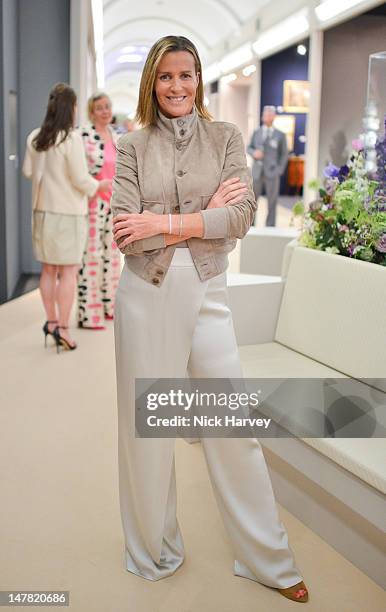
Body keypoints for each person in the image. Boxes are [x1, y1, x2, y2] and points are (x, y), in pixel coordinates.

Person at [111, 36, 309, 603]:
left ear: (199, 80)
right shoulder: (130, 146)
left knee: (232, 426)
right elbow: (125, 230)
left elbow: (241, 216)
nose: (178, 86)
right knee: (149, 432)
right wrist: (205, 215)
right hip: (146, 295)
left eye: (188, 75)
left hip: (207, 290)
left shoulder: (225, 138)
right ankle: (153, 549)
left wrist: (167, 223)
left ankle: (267, 558)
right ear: (152, 81)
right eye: (167, 76)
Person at [22, 83, 111, 351]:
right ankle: (62, 328)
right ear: (70, 108)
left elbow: (28, 171)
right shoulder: (70, 139)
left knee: (48, 271)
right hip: (69, 214)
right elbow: (80, 179)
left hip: (42, 212)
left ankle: (50, 323)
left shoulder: (35, 137)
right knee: (69, 273)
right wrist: (100, 185)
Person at [77, 93, 120, 329]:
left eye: (108, 106)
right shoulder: (83, 135)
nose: (105, 111)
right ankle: (89, 314)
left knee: (112, 257)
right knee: (91, 258)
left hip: (113, 204)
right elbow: (77, 170)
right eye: (100, 108)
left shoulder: (115, 135)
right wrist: (95, 185)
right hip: (92, 202)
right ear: (91, 112)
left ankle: (109, 305)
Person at [247, 105, 288, 227]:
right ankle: (251, 225)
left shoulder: (280, 135)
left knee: (272, 202)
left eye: (270, 114)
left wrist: (279, 170)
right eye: (265, 114)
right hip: (257, 172)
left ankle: (270, 227)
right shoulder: (257, 132)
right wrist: (254, 153)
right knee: (253, 201)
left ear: (274, 117)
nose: (267, 117)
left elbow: (284, 154)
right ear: (262, 116)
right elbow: (249, 147)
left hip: (272, 172)